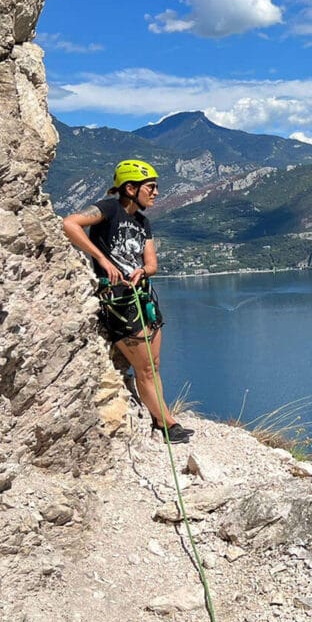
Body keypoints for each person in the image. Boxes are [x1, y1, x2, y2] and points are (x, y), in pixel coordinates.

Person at [62, 159, 193, 443]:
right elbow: (70, 224)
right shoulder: (110, 210)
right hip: (119, 304)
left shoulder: (142, 222)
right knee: (145, 368)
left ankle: (163, 416)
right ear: (131, 188)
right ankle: (167, 423)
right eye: (151, 187)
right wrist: (99, 258)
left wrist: (142, 270)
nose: (156, 192)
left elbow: (152, 263)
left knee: (154, 364)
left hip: (143, 298)